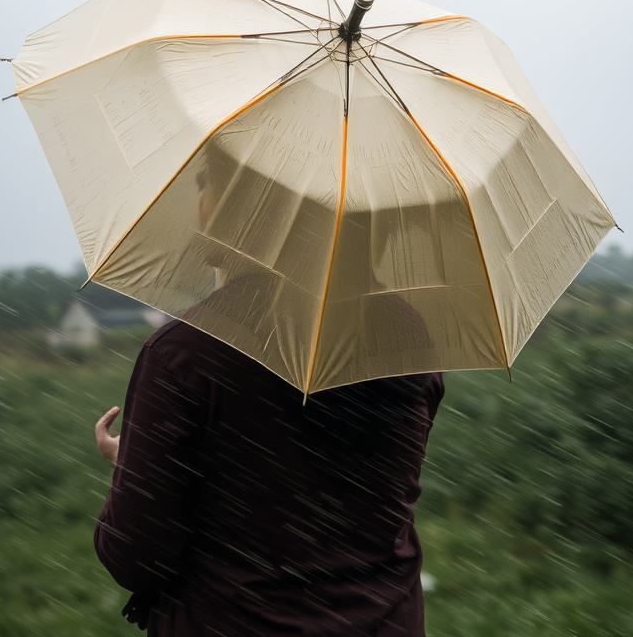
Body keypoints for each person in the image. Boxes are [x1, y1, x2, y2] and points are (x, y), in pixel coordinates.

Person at [90, 152, 444, 634]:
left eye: (204, 183)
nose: (199, 204)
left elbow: (135, 556)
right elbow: (355, 491)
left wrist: (136, 470)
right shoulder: (407, 336)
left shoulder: (188, 354)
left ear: (245, 205)